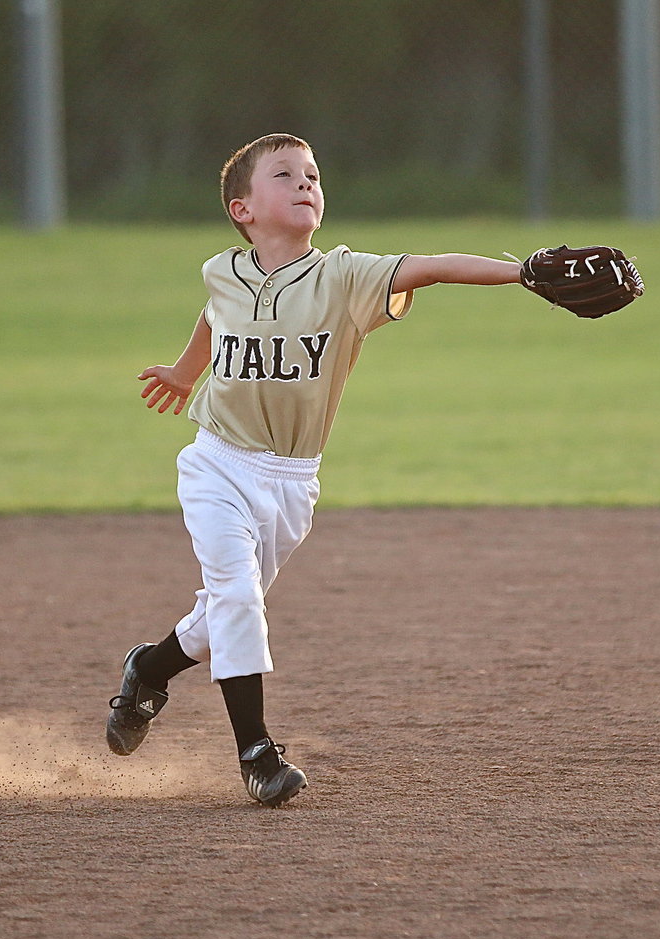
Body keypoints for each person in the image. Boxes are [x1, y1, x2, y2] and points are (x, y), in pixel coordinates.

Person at [106, 133, 540, 807]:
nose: (306, 183)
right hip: (216, 462)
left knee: (224, 614)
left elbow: (434, 267)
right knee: (238, 599)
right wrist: (186, 372)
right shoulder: (223, 270)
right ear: (243, 209)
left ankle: (150, 669)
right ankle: (256, 753)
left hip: (291, 481)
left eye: (311, 174)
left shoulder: (345, 278)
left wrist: (523, 272)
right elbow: (216, 313)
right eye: (285, 174)